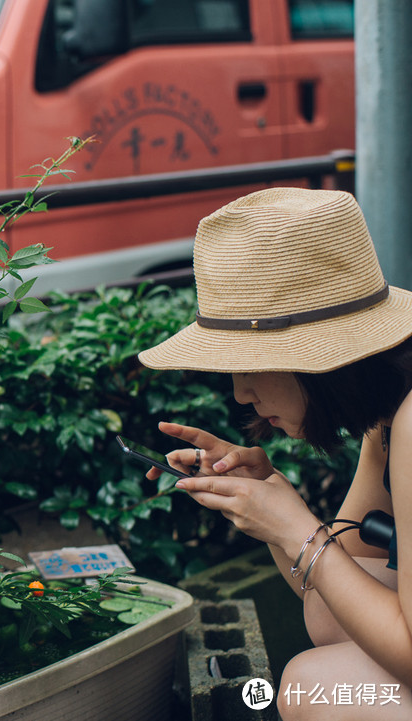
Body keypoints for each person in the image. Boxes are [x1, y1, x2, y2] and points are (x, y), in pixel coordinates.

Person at [138, 187, 412, 720]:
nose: (240, 394)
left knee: (311, 686)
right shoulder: (388, 416)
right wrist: (268, 505)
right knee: (329, 614)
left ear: (317, 358)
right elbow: (337, 582)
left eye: (249, 365)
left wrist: (295, 528)